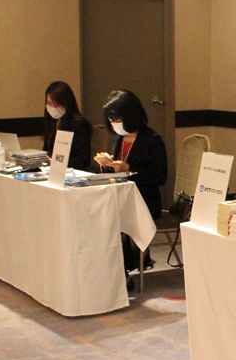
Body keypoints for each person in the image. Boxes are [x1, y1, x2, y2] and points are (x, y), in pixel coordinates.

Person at [95, 90, 168, 279]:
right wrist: (107, 166)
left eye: (117, 119)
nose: (114, 123)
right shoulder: (117, 138)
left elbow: (160, 176)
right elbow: (115, 173)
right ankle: (108, 269)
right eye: (111, 119)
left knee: (113, 217)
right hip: (118, 197)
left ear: (130, 115)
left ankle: (123, 271)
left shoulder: (151, 139)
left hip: (144, 199)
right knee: (96, 213)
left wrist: (130, 168)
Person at [42, 81, 93, 171]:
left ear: (66, 103)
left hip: (73, 172)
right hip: (54, 171)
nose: (53, 107)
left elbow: (83, 160)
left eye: (57, 104)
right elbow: (47, 151)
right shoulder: (52, 123)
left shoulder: (79, 125)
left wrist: (57, 164)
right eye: (49, 103)